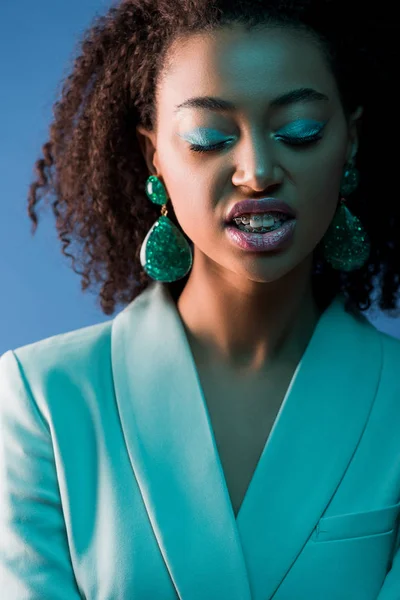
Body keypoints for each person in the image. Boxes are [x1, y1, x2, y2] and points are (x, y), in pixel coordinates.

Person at [1, 0, 399, 597]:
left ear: (351, 143)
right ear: (153, 155)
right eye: (209, 139)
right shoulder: (42, 399)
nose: (258, 171)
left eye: (300, 133)